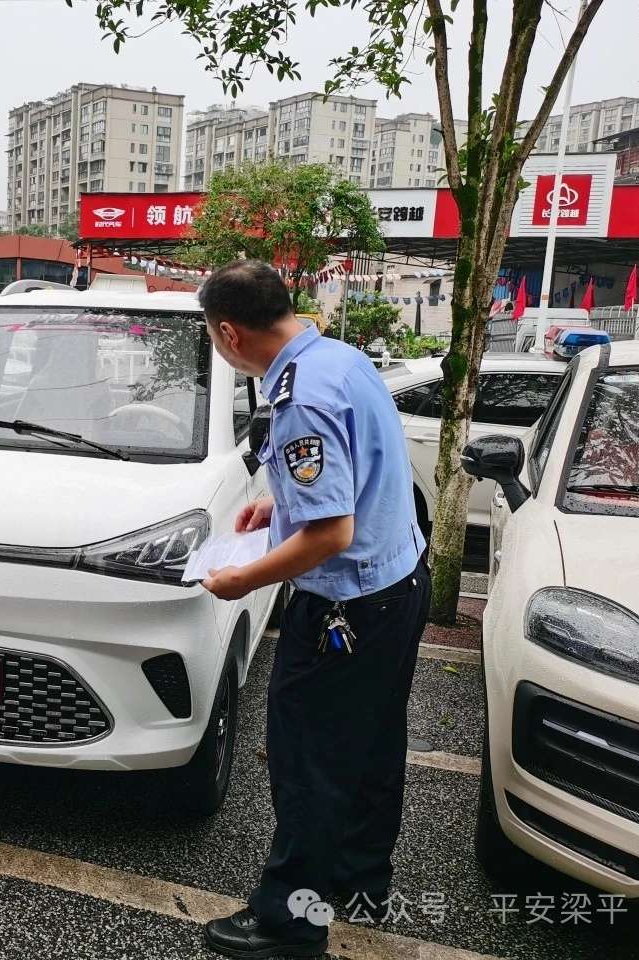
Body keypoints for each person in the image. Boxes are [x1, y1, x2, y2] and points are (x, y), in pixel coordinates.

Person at [196, 261, 429, 958]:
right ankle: (363, 881)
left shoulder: (298, 398)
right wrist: (280, 505)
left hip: (346, 610)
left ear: (229, 331)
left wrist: (243, 580)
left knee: (308, 763)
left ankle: (289, 926)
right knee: (372, 748)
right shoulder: (337, 356)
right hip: (399, 588)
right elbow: (347, 480)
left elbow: (332, 535)